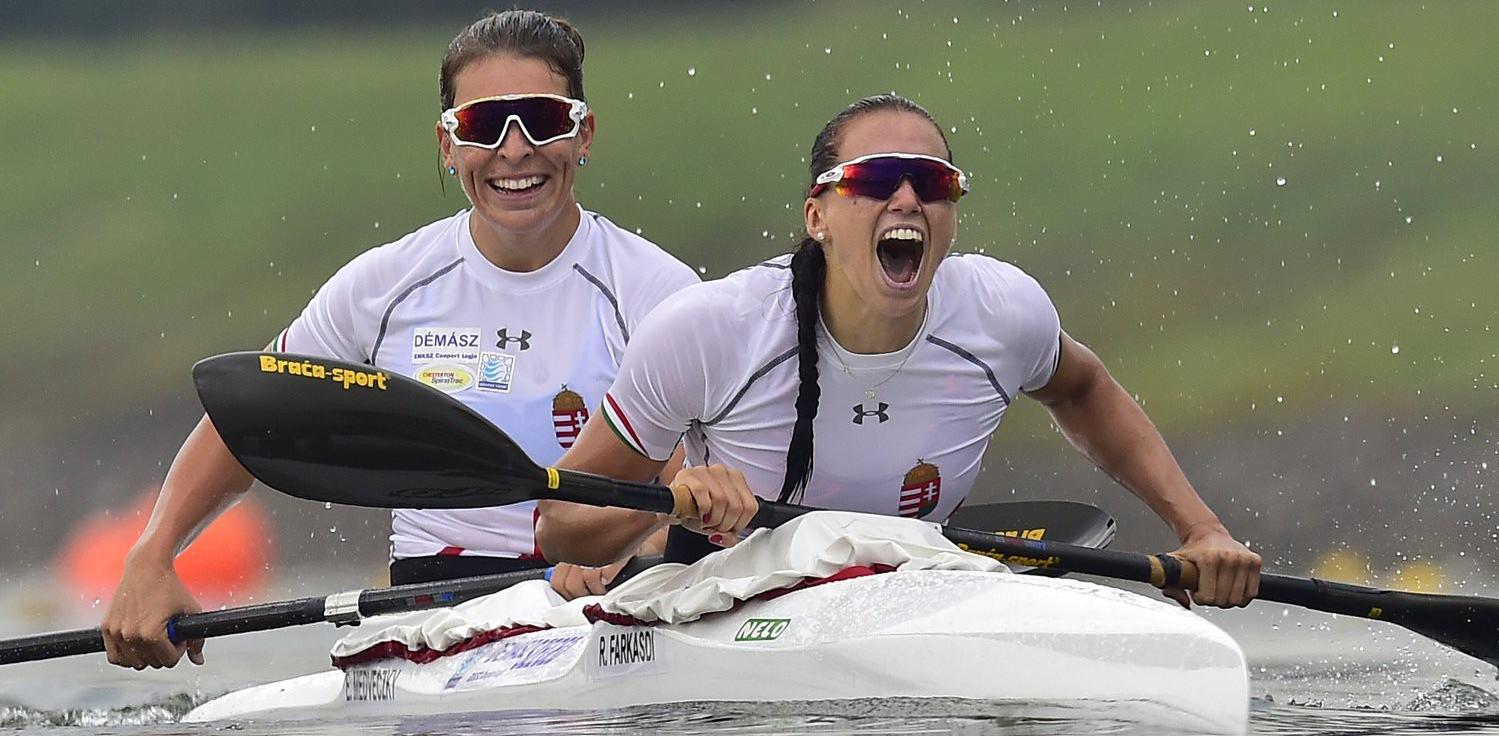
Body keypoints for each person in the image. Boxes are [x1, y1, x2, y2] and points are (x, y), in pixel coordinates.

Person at [101, 9, 696, 670]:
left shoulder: (655, 291)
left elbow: (703, 475)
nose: (515, 148)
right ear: (448, 146)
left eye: (542, 119)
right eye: (482, 125)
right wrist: (150, 555)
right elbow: (246, 426)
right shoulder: (385, 286)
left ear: (584, 134)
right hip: (436, 618)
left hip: (612, 605)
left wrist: (640, 544)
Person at [536, 94, 1261, 609]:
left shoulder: (1000, 313)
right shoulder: (710, 331)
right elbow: (559, 525)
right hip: (729, 594)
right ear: (817, 217)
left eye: (934, 183)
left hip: (916, 592)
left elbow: (1083, 390)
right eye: (877, 180)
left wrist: (1200, 530)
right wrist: (669, 506)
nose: (909, 197)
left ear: (950, 216)